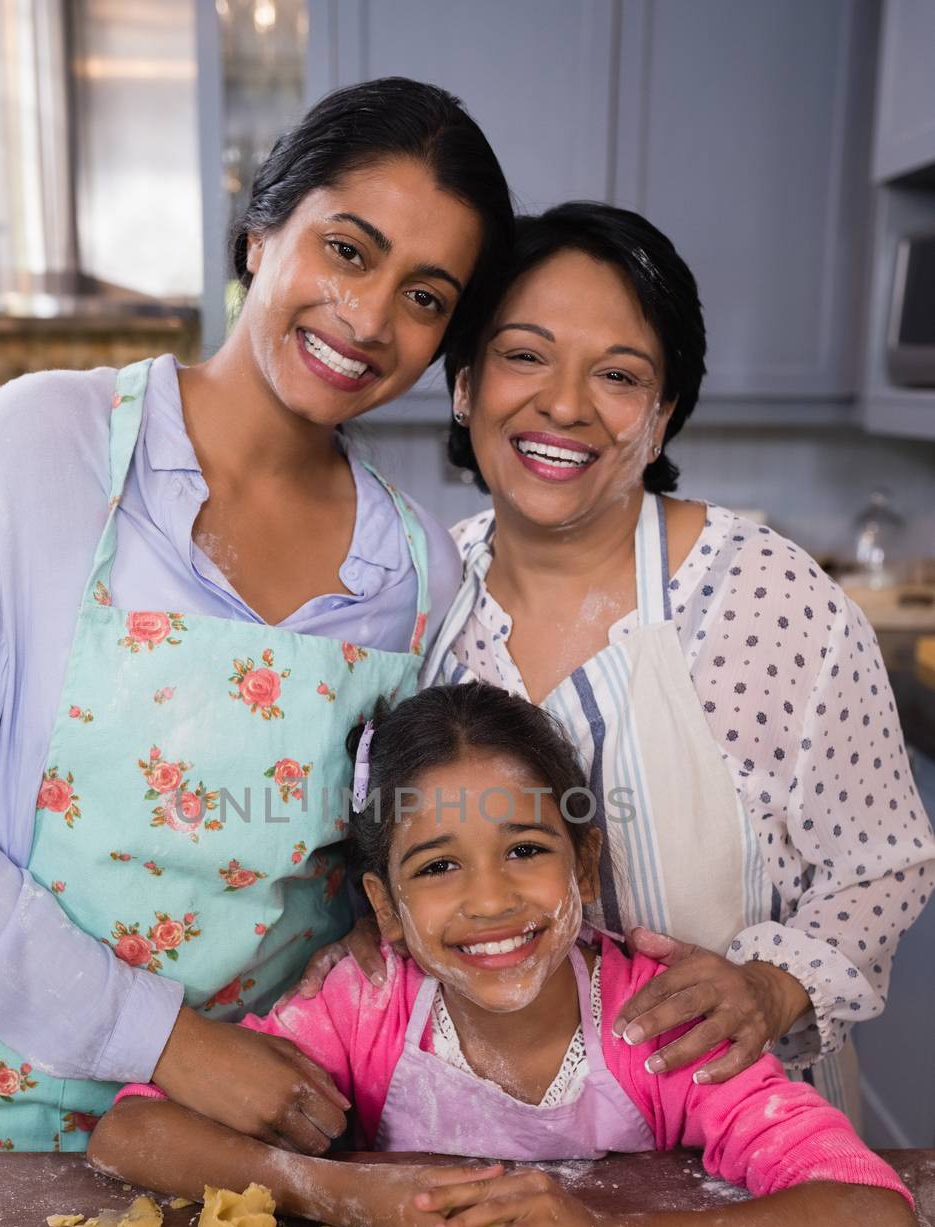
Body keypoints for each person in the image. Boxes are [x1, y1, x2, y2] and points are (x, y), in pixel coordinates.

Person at [0, 78, 513, 1153]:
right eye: (347, 250)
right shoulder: (46, 447)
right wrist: (172, 1044)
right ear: (261, 230)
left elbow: (371, 884)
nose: (367, 319)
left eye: (425, 296)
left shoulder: (416, 573)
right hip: (5, 1110)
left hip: (260, 1138)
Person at [304, 203, 935, 1126]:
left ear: (662, 413)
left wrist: (768, 986)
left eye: (618, 374)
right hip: (474, 1155)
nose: (564, 403)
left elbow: (883, 863)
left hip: (735, 1147)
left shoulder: (768, 599)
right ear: (465, 384)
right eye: (524, 356)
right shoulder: (415, 602)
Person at [88, 684, 924, 1227]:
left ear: (584, 865)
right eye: (438, 867)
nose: (490, 901)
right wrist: (354, 1198)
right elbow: (130, 1132)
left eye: (525, 850)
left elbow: (875, 1224)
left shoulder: (662, 1025)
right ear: (386, 908)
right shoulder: (364, 1007)